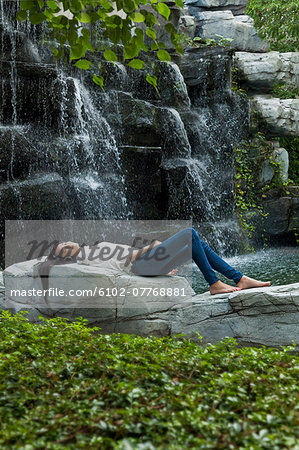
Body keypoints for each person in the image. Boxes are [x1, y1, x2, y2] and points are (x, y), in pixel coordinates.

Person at [49, 228, 270, 295]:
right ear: (68, 255)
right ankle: (214, 284)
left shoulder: (89, 249)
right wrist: (151, 247)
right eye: (64, 248)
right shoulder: (86, 257)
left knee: (198, 246)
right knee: (190, 233)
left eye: (65, 241)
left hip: (147, 263)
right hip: (142, 264)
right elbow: (125, 260)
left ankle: (239, 278)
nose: (68, 242)